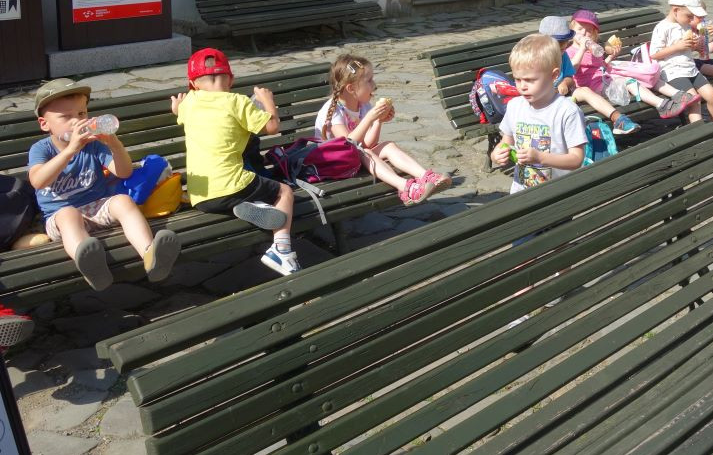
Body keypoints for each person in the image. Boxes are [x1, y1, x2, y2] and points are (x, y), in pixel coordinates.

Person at [28, 79, 180, 291]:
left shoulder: (93, 145)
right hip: (60, 218)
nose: (77, 121)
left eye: (81, 113)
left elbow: (124, 172)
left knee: (123, 201)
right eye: (66, 117)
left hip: (96, 207)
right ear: (45, 124)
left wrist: (114, 144)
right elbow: (38, 181)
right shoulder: (41, 149)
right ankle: (91, 266)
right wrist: (70, 150)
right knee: (69, 214)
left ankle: (150, 255)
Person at [172, 48, 298, 277]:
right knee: (284, 192)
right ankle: (281, 251)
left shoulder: (189, 103)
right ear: (231, 80)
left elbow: (177, 110)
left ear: (193, 84)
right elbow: (272, 127)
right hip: (231, 185)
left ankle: (249, 206)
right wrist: (268, 102)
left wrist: (177, 106)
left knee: (241, 189)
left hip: (200, 196)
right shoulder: (237, 102)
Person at [316, 53, 451, 204]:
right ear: (351, 88)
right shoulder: (333, 111)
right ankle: (405, 188)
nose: (374, 85)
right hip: (333, 166)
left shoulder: (363, 105)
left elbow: (367, 143)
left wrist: (378, 121)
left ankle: (426, 176)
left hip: (355, 158)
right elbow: (347, 145)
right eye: (369, 80)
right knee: (365, 152)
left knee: (388, 146)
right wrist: (369, 119)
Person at [490, 34, 587, 193]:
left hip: (557, 193)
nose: (522, 86)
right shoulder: (515, 106)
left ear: (554, 75)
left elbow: (576, 159)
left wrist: (541, 158)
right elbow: (506, 142)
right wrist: (497, 154)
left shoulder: (567, 111)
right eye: (517, 79)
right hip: (521, 191)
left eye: (530, 80)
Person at [565, 10, 689, 126]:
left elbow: (601, 67)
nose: (584, 33)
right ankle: (662, 104)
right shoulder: (570, 51)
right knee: (629, 82)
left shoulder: (593, 49)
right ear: (572, 30)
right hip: (592, 87)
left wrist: (611, 56)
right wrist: (582, 48)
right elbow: (571, 69)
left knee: (639, 77)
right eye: (580, 29)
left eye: (588, 31)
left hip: (605, 80)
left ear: (594, 33)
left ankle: (676, 96)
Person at [539, 15, 639, 135]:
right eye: (559, 44)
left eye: (565, 43)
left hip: (564, 96)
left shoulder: (563, 55)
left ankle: (618, 119)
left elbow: (570, 77)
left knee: (585, 91)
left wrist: (565, 82)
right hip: (543, 99)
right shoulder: (537, 58)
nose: (563, 47)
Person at [650, 0, 713, 126]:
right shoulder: (662, 27)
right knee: (694, 100)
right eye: (689, 16)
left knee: (712, 95)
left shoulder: (686, 25)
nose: (691, 20)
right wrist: (677, 47)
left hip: (690, 69)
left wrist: (696, 45)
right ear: (676, 10)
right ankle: (699, 132)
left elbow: (692, 49)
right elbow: (654, 54)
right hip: (673, 72)